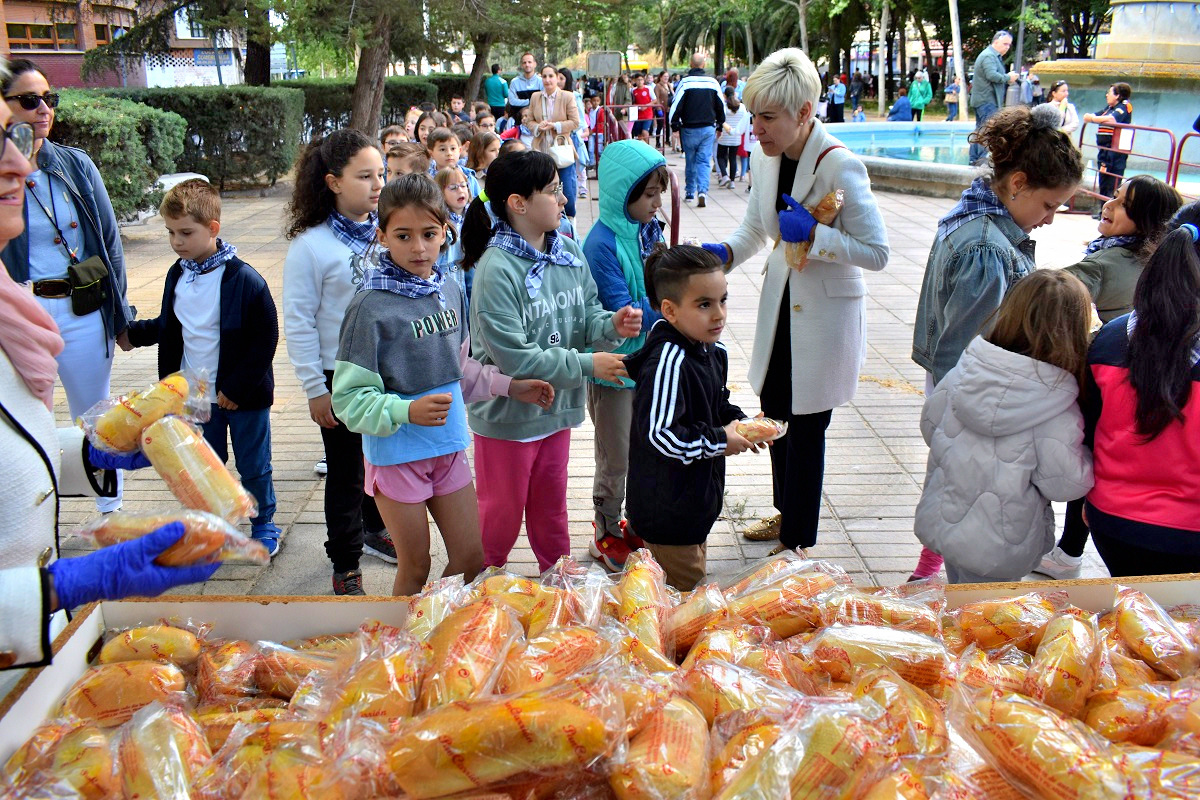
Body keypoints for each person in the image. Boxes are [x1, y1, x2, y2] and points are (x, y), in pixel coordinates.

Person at [0, 72, 218, 696]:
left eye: (14, 138)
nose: (18, 161)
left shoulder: (9, 320)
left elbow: (16, 452)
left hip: (37, 665)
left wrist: (102, 452)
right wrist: (63, 586)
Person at [700, 48, 889, 554]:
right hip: (781, 312)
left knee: (806, 433)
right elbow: (757, 230)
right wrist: (720, 254)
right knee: (776, 418)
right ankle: (787, 516)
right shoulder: (767, 160)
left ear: (804, 113)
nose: (754, 127)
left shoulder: (841, 166)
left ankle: (798, 545)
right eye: (752, 114)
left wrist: (817, 239)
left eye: (767, 117)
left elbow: (878, 252)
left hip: (823, 320)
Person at [331, 176, 552, 596]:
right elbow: (348, 399)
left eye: (429, 234)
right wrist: (404, 411)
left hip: (449, 451)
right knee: (416, 566)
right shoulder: (368, 306)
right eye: (403, 235)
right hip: (397, 457)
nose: (418, 247)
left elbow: (460, 369)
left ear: (446, 231)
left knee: (471, 559)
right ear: (381, 237)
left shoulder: (450, 288)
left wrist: (509, 386)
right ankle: (401, 651)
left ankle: (440, 635)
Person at [909, 105, 1083, 580]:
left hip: (967, 392)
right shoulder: (987, 246)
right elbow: (967, 351)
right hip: (976, 394)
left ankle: (934, 563)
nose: (1049, 220)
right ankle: (933, 567)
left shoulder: (976, 214)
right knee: (968, 486)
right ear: (1019, 182)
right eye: (1048, 206)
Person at [459, 151, 641, 572]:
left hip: (557, 410)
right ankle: (481, 586)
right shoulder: (496, 269)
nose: (564, 199)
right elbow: (515, 357)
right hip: (508, 418)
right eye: (554, 191)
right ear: (518, 203)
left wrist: (611, 323)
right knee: (500, 514)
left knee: (551, 507)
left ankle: (558, 580)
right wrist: (587, 365)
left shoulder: (568, 252)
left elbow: (588, 313)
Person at [2, 58, 133, 515]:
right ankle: (34, 514)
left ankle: (109, 510)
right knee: (25, 419)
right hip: (22, 312)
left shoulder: (75, 165)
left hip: (82, 310)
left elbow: (110, 243)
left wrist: (121, 314)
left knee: (96, 416)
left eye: (49, 98)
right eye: (29, 99)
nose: (43, 109)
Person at [124, 179, 282, 557]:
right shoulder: (178, 273)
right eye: (170, 233)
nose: (177, 242)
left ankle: (264, 523)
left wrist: (236, 388)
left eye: (186, 233)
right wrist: (133, 334)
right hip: (195, 395)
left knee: (254, 464)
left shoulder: (244, 280)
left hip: (241, 397)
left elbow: (266, 339)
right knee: (204, 466)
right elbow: (171, 325)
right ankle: (215, 525)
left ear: (212, 229)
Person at [1036, 175, 1182, 580]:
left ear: (1145, 219)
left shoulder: (1107, 264)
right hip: (1161, 385)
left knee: (1096, 452)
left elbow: (1053, 291)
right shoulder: (1159, 260)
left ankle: (1068, 551)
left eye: (1121, 203)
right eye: (1114, 197)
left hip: (1116, 377)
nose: (1109, 205)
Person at [915, 271, 1095, 584]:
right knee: (989, 623)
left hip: (945, 524)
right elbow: (1064, 484)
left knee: (960, 601)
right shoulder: (1056, 406)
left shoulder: (966, 370)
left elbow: (930, 426)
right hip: (1003, 547)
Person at [283, 130, 392, 596]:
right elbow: (300, 321)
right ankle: (345, 560)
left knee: (383, 460)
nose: (377, 185)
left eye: (381, 174)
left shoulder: (390, 231)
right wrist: (314, 388)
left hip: (388, 370)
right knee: (346, 471)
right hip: (338, 376)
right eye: (364, 176)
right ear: (332, 182)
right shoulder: (311, 246)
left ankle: (375, 526)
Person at [625, 245, 760, 590]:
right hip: (667, 514)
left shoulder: (711, 350)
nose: (719, 315)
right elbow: (660, 435)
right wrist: (719, 439)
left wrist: (742, 424)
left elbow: (717, 404)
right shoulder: (669, 361)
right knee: (683, 606)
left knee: (682, 594)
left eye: (722, 300)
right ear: (669, 310)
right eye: (704, 304)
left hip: (692, 508)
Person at [1076, 205, 1200, 576]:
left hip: (1112, 525)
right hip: (1190, 533)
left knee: (1137, 621)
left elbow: (1086, 433)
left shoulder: (1109, 339)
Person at [581, 139, 669, 570]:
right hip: (615, 368)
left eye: (659, 192)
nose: (657, 202)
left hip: (649, 363)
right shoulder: (600, 244)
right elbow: (625, 310)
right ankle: (604, 530)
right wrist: (674, 309)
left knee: (641, 450)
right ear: (622, 193)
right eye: (649, 194)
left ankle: (628, 521)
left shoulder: (649, 230)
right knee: (615, 455)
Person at [527, 63, 582, 221]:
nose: (547, 80)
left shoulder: (567, 96)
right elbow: (529, 121)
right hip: (541, 150)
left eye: (551, 76)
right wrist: (538, 127)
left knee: (567, 193)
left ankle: (570, 226)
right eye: (544, 76)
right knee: (543, 190)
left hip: (562, 150)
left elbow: (575, 122)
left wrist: (555, 126)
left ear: (557, 78)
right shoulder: (535, 97)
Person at [669, 53, 724, 207]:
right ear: (703, 65)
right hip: (708, 129)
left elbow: (675, 106)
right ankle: (702, 191)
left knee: (690, 160)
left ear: (691, 64)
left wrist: (674, 126)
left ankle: (689, 192)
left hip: (688, 129)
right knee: (704, 161)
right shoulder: (712, 83)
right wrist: (720, 124)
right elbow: (721, 106)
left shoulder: (685, 82)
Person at [969, 31, 1019, 165]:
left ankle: (975, 159)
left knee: (981, 130)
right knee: (987, 130)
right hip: (986, 100)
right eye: (1005, 44)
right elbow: (991, 75)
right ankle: (980, 160)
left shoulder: (992, 56)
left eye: (1009, 44)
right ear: (995, 42)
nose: (1007, 47)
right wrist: (1008, 78)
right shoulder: (989, 56)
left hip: (985, 100)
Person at [1083, 83, 1133, 202]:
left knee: (1112, 182)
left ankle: (1109, 209)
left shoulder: (1125, 106)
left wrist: (1093, 119)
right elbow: (1088, 116)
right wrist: (1093, 118)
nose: (1106, 95)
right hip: (1104, 150)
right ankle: (1101, 209)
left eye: (1109, 93)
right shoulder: (1109, 108)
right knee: (1103, 180)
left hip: (1115, 152)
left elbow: (1112, 119)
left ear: (1117, 95)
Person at [426, 127, 480, 198]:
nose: (449, 153)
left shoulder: (468, 177)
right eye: (442, 149)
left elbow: (478, 203)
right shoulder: (427, 179)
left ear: (459, 150)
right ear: (431, 154)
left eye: (453, 148)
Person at [717, 87, 748, 187]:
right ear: (734, 93)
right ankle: (732, 182)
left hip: (724, 137)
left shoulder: (723, 107)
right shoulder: (742, 107)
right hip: (736, 137)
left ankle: (724, 175)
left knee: (720, 156)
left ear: (724, 95)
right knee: (733, 158)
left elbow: (719, 119)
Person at [507, 52, 541, 119]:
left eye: (529, 62)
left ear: (535, 64)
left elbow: (542, 101)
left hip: (537, 119)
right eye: (524, 62)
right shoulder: (514, 82)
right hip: (518, 119)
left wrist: (521, 102)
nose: (527, 64)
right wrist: (531, 101)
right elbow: (512, 101)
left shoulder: (541, 82)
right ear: (522, 65)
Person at [631, 73, 654, 143]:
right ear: (635, 81)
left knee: (645, 131)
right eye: (638, 80)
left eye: (641, 80)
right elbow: (632, 101)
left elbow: (655, 100)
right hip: (638, 115)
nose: (640, 81)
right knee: (639, 134)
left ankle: (648, 147)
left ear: (643, 80)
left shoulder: (648, 89)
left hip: (648, 114)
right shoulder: (633, 90)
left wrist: (646, 106)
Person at [653, 71, 672, 148]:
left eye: (667, 76)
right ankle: (658, 141)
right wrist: (658, 108)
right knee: (660, 125)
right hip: (660, 108)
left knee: (668, 124)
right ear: (660, 77)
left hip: (668, 108)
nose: (666, 78)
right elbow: (656, 98)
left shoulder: (669, 85)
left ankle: (667, 139)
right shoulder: (658, 86)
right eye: (664, 76)